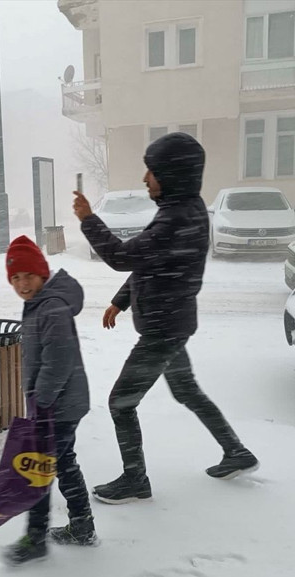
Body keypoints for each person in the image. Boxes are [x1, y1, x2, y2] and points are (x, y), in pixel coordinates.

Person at [72, 132, 259, 505]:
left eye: (152, 171)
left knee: (121, 403)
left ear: (171, 175)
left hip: (162, 331)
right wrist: (120, 301)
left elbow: (123, 257)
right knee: (187, 391)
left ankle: (135, 480)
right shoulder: (184, 210)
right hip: (173, 325)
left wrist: (89, 220)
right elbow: (149, 263)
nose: (145, 179)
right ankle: (236, 452)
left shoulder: (176, 218)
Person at [2, 235, 97, 565]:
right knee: (63, 462)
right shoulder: (40, 303)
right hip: (60, 402)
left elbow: (58, 362)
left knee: (38, 470)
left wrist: (41, 404)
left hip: (58, 405)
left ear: (42, 273)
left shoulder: (51, 307)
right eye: (15, 278)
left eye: (28, 275)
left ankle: (36, 538)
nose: (22, 284)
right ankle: (82, 526)